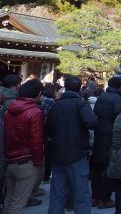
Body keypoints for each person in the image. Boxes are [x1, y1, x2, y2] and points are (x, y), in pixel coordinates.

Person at [47, 74, 98, 214]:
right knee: (81, 194)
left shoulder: (56, 106)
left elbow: (49, 129)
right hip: (77, 153)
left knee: (57, 194)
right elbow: (92, 122)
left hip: (58, 153)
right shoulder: (81, 104)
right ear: (79, 88)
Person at [3, 79, 44, 214]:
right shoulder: (35, 112)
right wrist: (37, 162)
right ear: (38, 93)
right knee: (18, 202)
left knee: (9, 199)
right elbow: (36, 140)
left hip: (11, 159)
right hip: (27, 161)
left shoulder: (9, 109)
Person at [91, 75, 121, 209]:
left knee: (97, 167)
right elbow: (118, 116)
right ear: (119, 86)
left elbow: (96, 112)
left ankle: (95, 196)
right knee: (108, 167)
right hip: (110, 135)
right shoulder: (117, 98)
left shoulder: (102, 96)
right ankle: (105, 198)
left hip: (99, 132)